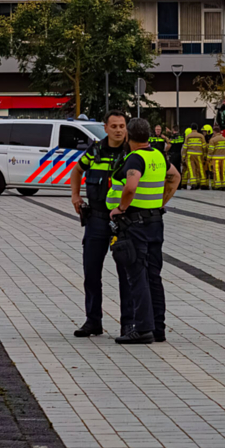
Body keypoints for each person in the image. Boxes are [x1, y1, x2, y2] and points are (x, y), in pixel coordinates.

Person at [106, 118, 181, 344]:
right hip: (154, 222)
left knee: (137, 276)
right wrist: (161, 201)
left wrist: (120, 208)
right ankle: (158, 328)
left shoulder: (135, 158)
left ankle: (143, 328)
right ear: (149, 135)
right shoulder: (157, 155)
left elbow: (131, 186)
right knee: (154, 277)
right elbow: (175, 177)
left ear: (128, 136)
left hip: (135, 224)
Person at [69, 110, 130, 338]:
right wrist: (75, 196)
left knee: (126, 274)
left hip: (123, 222)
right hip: (96, 220)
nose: (118, 130)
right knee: (91, 273)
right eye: (113, 126)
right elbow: (77, 170)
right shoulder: (94, 151)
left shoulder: (132, 153)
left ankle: (128, 324)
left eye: (122, 126)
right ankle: (93, 321)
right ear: (105, 128)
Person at [184, 125, 208, 189]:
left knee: (192, 169)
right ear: (197, 128)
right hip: (199, 155)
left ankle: (193, 183)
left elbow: (185, 147)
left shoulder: (188, 136)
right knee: (201, 169)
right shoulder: (201, 136)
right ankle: (203, 183)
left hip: (190, 155)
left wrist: (183, 157)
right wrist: (205, 155)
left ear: (191, 129)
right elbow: (204, 146)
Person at [208, 125, 225, 190]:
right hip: (223, 158)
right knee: (222, 172)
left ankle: (217, 185)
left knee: (216, 171)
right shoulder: (224, 139)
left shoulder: (213, 140)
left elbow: (211, 150)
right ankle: (223, 185)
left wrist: (208, 159)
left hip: (215, 158)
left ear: (214, 131)